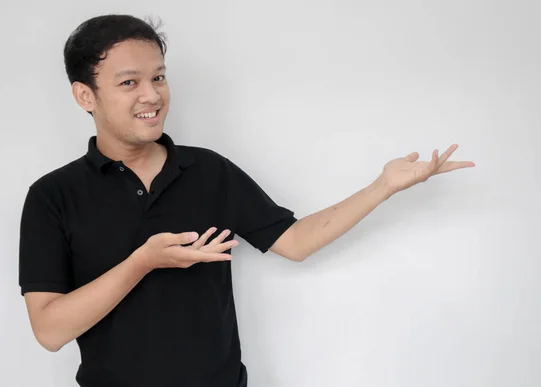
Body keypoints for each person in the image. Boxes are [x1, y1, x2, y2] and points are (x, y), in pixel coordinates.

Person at [18, 14, 475, 387]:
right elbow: (50, 331)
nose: (152, 95)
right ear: (85, 96)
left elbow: (294, 241)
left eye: (158, 77)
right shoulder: (52, 196)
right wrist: (143, 261)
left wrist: (384, 186)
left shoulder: (207, 171)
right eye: (129, 83)